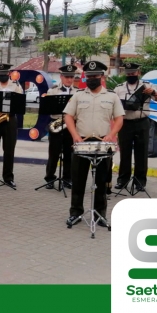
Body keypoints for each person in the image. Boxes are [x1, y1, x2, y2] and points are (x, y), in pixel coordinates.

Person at [63, 61, 124, 227]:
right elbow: (68, 116)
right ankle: (75, 213)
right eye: (88, 76)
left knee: (101, 180)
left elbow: (119, 119)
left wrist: (112, 134)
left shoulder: (111, 96)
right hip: (82, 141)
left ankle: (100, 214)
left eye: (95, 76)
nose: (91, 79)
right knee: (78, 179)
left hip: (102, 142)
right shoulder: (78, 95)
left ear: (101, 77)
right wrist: (74, 135)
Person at [113, 62, 157, 191]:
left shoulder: (146, 86)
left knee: (142, 153)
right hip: (125, 123)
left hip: (142, 122)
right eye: (128, 73)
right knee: (125, 152)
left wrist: (152, 92)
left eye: (133, 73)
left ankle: (140, 182)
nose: (130, 75)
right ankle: (122, 180)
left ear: (138, 72)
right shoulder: (119, 88)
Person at [43, 64, 76, 189]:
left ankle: (67, 179)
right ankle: (49, 178)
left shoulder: (77, 92)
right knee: (53, 153)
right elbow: (49, 109)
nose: (69, 79)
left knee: (69, 153)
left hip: (70, 126)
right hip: (56, 124)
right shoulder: (53, 91)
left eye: (71, 77)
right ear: (61, 77)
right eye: (67, 77)